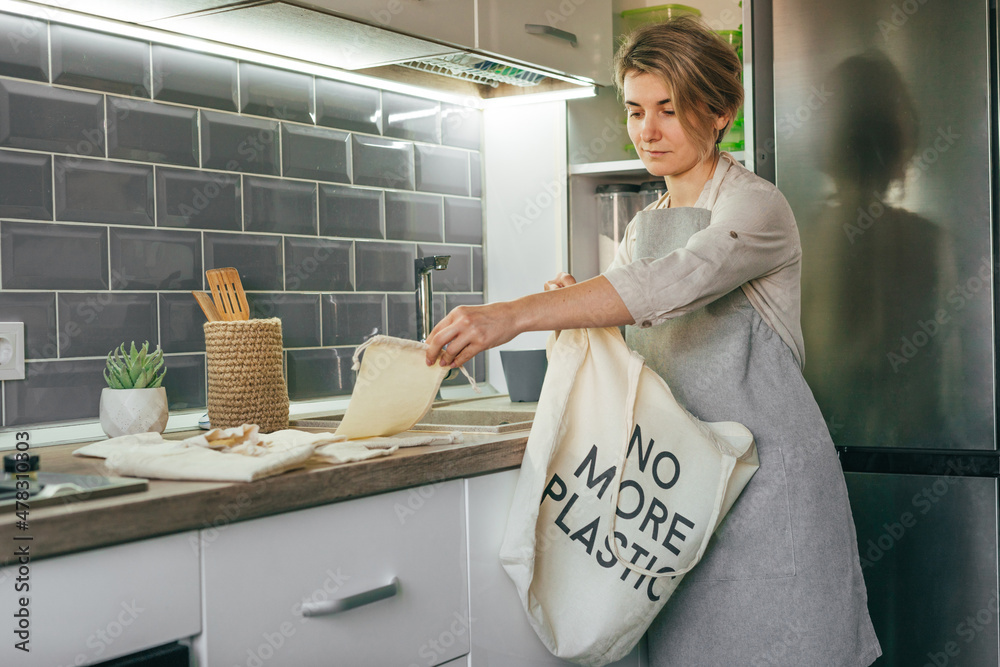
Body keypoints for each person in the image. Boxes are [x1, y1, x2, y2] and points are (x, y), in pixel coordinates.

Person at [425, 16, 881, 666]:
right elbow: (641, 338)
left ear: (719, 110)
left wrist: (514, 314)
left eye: (669, 109)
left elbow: (672, 284)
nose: (647, 130)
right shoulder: (642, 230)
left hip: (770, 493)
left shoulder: (757, 209)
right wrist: (582, 315)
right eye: (636, 110)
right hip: (678, 497)